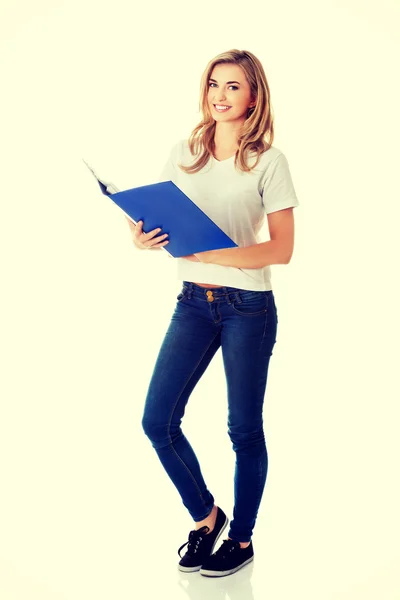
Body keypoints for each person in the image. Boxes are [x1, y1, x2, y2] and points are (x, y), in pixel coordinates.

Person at [125, 49, 299, 578]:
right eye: (214, 85)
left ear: (254, 97)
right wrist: (141, 236)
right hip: (192, 304)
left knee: (243, 429)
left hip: (247, 307)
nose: (220, 96)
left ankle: (241, 540)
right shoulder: (185, 151)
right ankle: (207, 517)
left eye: (234, 87)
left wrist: (212, 252)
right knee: (158, 421)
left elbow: (282, 249)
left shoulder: (269, 160)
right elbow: (151, 219)